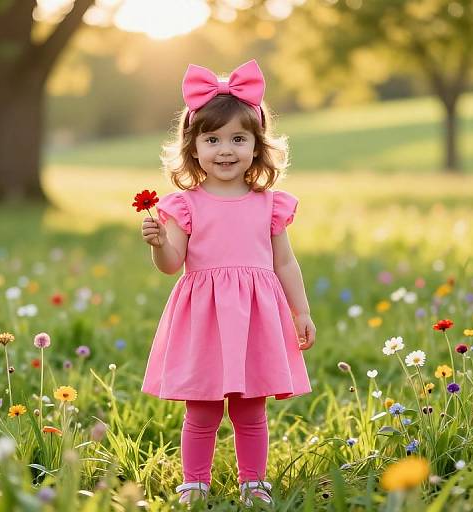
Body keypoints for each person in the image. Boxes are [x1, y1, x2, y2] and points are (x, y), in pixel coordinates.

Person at [140, 59, 316, 508]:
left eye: (239, 139)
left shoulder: (269, 204)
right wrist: (160, 243)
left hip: (256, 317)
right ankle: (194, 482)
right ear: (192, 147)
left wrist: (302, 312)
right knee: (200, 408)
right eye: (212, 139)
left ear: (257, 147)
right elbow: (171, 263)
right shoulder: (183, 206)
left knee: (250, 408)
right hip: (205, 319)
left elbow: (286, 263)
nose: (225, 150)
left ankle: (253, 482)